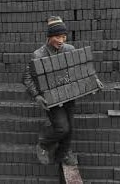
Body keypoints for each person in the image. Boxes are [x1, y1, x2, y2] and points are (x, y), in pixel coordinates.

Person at [23, 16, 104, 166]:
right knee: (62, 128)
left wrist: (94, 81)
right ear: (49, 37)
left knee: (70, 129)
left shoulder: (69, 50)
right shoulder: (38, 55)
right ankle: (43, 144)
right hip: (51, 99)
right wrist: (37, 96)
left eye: (63, 36)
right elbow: (27, 78)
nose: (61, 40)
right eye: (57, 36)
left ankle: (63, 154)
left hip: (69, 95)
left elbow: (82, 68)